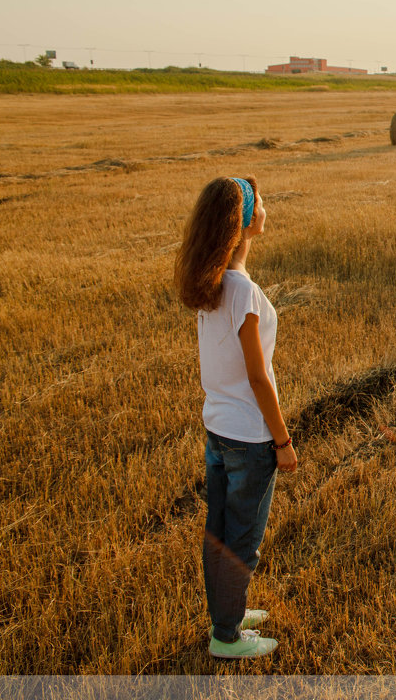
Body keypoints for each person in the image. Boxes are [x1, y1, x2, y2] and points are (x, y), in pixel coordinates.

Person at [174, 175, 298, 659]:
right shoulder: (243, 291)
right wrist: (283, 441)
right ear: (246, 221)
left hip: (217, 429)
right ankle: (226, 637)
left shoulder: (211, 283)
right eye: (261, 203)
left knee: (219, 532)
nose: (266, 208)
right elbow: (259, 378)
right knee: (242, 542)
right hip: (249, 437)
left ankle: (226, 612)